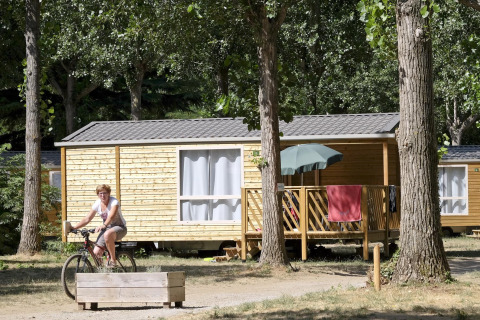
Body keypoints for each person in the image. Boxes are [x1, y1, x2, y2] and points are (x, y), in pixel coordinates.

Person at [72, 184, 127, 267]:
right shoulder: (97, 203)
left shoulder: (114, 202)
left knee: (107, 234)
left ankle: (113, 261)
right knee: (96, 253)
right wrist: (74, 228)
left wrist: (104, 225)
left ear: (109, 193)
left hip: (120, 228)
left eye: (105, 193)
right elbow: (87, 218)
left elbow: (111, 217)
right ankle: (102, 271)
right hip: (107, 229)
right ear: (98, 194)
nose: (102, 195)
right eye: (100, 193)